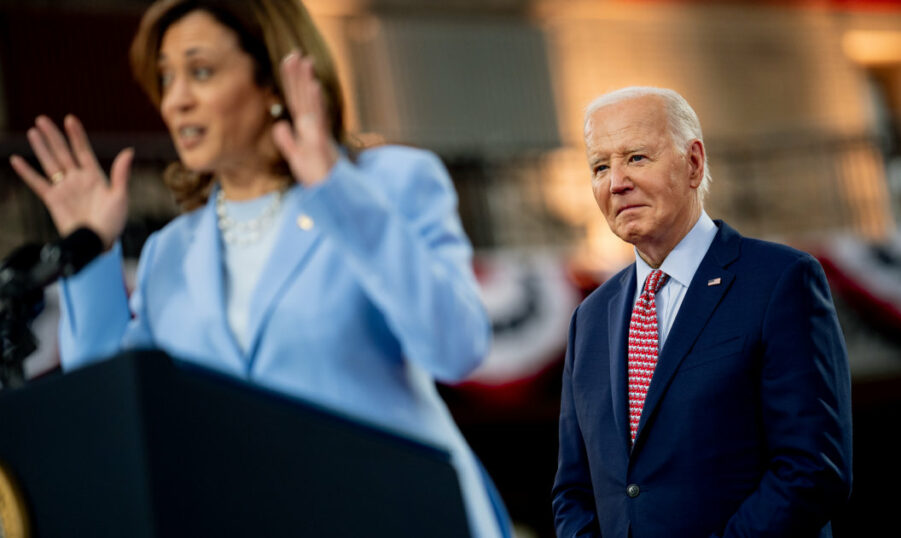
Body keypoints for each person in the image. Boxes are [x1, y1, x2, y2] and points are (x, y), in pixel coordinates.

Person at [8, 1, 509, 536]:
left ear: (274, 80)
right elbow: (113, 418)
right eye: (166, 78)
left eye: (200, 72)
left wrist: (333, 189)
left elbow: (456, 348)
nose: (176, 100)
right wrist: (92, 258)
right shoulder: (171, 252)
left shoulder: (387, 182)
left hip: (405, 514)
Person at [551, 87, 853, 537]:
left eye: (635, 158)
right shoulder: (590, 318)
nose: (615, 182)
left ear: (693, 163)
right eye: (600, 166)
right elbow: (573, 493)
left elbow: (813, 469)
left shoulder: (781, 281)